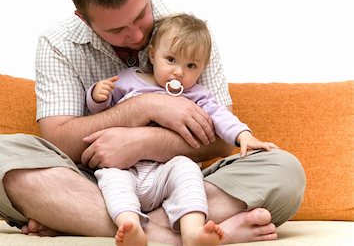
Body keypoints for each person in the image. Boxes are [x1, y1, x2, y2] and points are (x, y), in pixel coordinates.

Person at [0, 0, 306, 245]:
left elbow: (220, 141)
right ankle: (177, 235)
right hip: (95, 182)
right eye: (116, 29)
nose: (136, 35)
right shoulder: (57, 44)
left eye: (140, 16)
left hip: (176, 179)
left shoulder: (188, 33)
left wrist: (144, 142)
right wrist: (142, 107)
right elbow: (60, 140)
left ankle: (77, 219)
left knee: (285, 171)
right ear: (83, 18)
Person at [87, 13, 279, 246]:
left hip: (166, 173)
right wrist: (97, 96)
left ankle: (192, 232)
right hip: (126, 168)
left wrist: (243, 135)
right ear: (152, 55)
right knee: (110, 176)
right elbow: (103, 115)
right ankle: (131, 226)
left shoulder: (197, 95)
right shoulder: (129, 80)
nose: (179, 71)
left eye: (190, 66)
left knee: (186, 169)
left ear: (202, 69)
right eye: (170, 59)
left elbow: (221, 116)